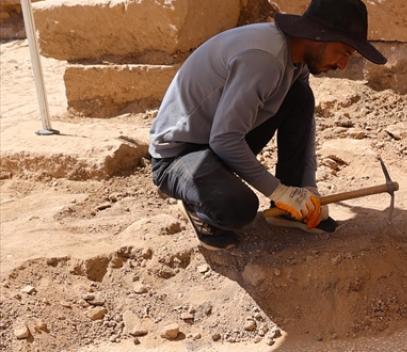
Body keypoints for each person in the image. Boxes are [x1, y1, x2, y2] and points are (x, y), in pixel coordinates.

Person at [148, 0, 387, 250]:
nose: (342, 65)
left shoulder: (295, 59)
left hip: (216, 139)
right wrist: (279, 192)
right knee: (237, 208)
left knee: (300, 96)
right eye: (343, 52)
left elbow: (300, 120)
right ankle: (200, 203)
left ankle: (287, 212)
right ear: (319, 37)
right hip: (180, 154)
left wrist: (305, 188)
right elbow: (225, 139)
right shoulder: (264, 59)